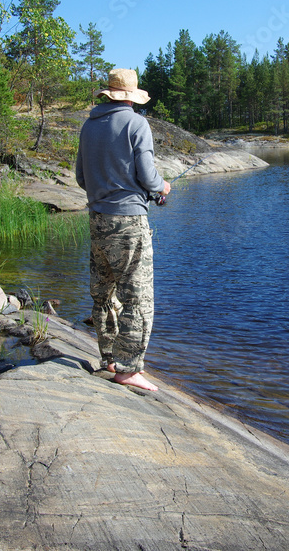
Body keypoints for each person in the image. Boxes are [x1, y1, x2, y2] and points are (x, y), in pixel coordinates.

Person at [75, 68, 170, 392]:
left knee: (104, 294)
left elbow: (81, 179)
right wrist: (162, 187)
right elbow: (148, 176)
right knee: (138, 298)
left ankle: (109, 359)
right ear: (130, 97)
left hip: (97, 219)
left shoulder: (89, 126)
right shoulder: (136, 124)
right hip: (129, 222)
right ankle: (128, 369)